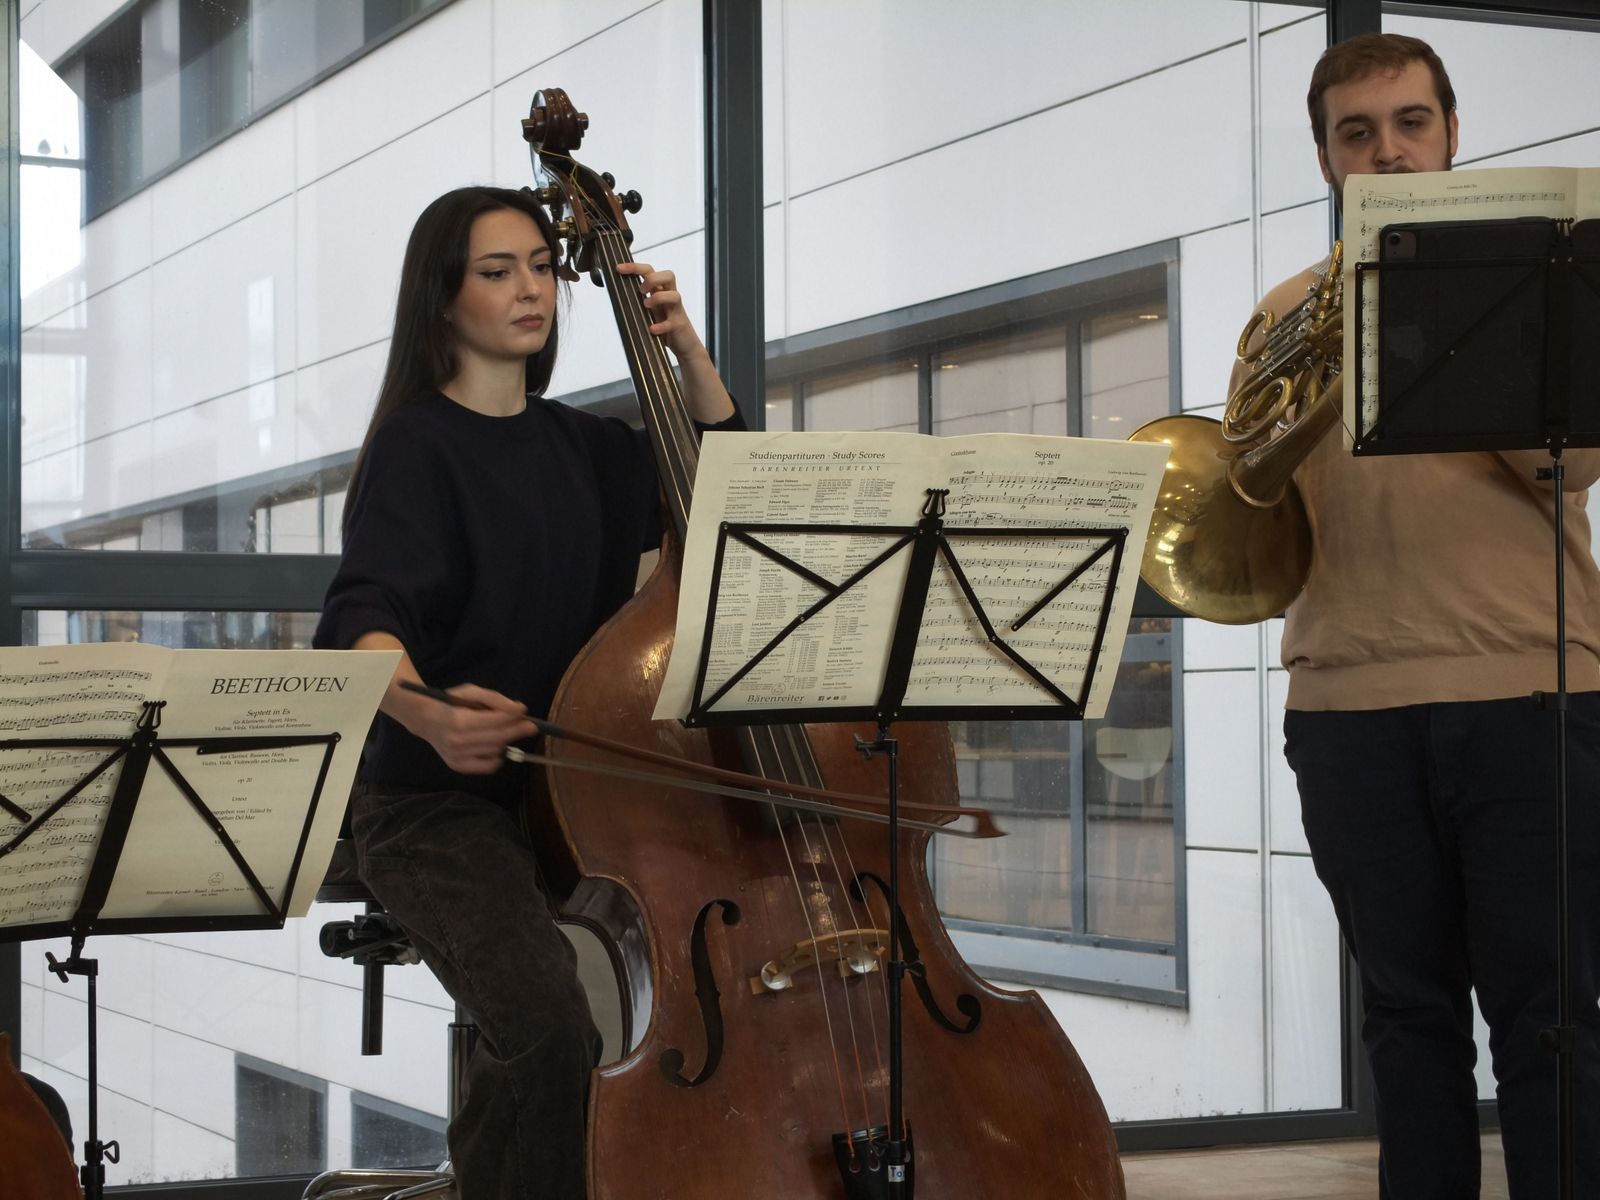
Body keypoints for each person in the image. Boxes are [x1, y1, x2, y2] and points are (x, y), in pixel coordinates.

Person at [314, 184, 739, 1199]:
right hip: (432, 809)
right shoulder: (417, 446)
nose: (530, 288)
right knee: (551, 1028)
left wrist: (689, 354)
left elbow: (729, 507)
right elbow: (360, 618)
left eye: (544, 267)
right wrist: (426, 711)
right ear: (442, 299)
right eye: (496, 271)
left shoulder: (586, 448)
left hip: (575, 795)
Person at [1253, 33, 1600, 1198]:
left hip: (1533, 690)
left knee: (1551, 1022)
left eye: (1409, 123)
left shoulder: (1543, 281)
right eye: (1357, 133)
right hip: (1347, 708)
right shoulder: (1283, 316)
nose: (1387, 152)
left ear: (1453, 134)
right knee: (1405, 1023)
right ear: (1324, 161)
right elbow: (1253, 520)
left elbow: (1575, 463)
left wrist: (1427, 323)